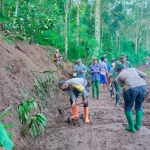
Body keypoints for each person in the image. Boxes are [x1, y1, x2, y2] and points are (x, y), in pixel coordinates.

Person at [116, 64, 147, 133]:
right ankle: (138, 126)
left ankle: (131, 127)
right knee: (139, 106)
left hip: (131, 89)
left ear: (118, 71)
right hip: (143, 86)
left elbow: (122, 86)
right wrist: (139, 81)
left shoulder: (119, 76)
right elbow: (145, 75)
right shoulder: (133, 69)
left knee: (128, 107)